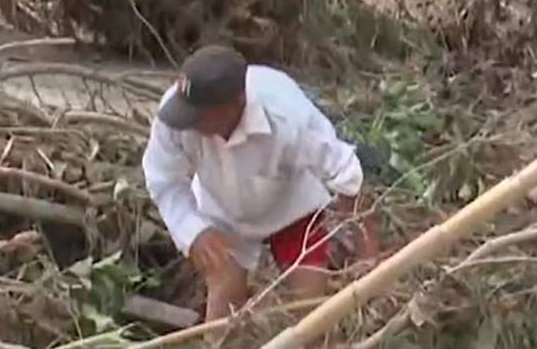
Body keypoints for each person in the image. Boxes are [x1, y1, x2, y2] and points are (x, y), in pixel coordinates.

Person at [141, 45, 380, 320]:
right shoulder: (177, 114)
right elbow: (163, 178)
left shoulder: (287, 117)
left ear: (235, 104)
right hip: (221, 208)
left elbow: (348, 175)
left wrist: (367, 263)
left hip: (293, 207)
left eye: (200, 117)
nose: (189, 124)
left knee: (309, 313)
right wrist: (192, 231)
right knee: (222, 307)